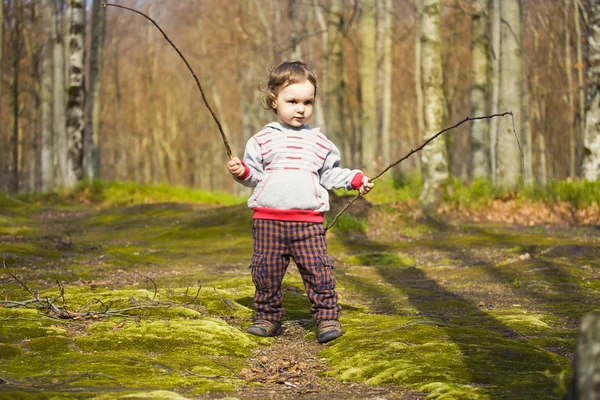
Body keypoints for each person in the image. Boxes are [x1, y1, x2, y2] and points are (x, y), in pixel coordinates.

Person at [227, 60, 374, 344]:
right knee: (265, 272)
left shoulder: (320, 142)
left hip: (308, 223)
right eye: (292, 100)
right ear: (273, 100)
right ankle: (267, 317)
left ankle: (327, 318)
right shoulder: (261, 140)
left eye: (307, 102)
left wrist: (355, 179)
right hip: (268, 221)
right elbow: (255, 176)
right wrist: (242, 172)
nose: (300, 108)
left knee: (318, 271)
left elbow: (330, 173)